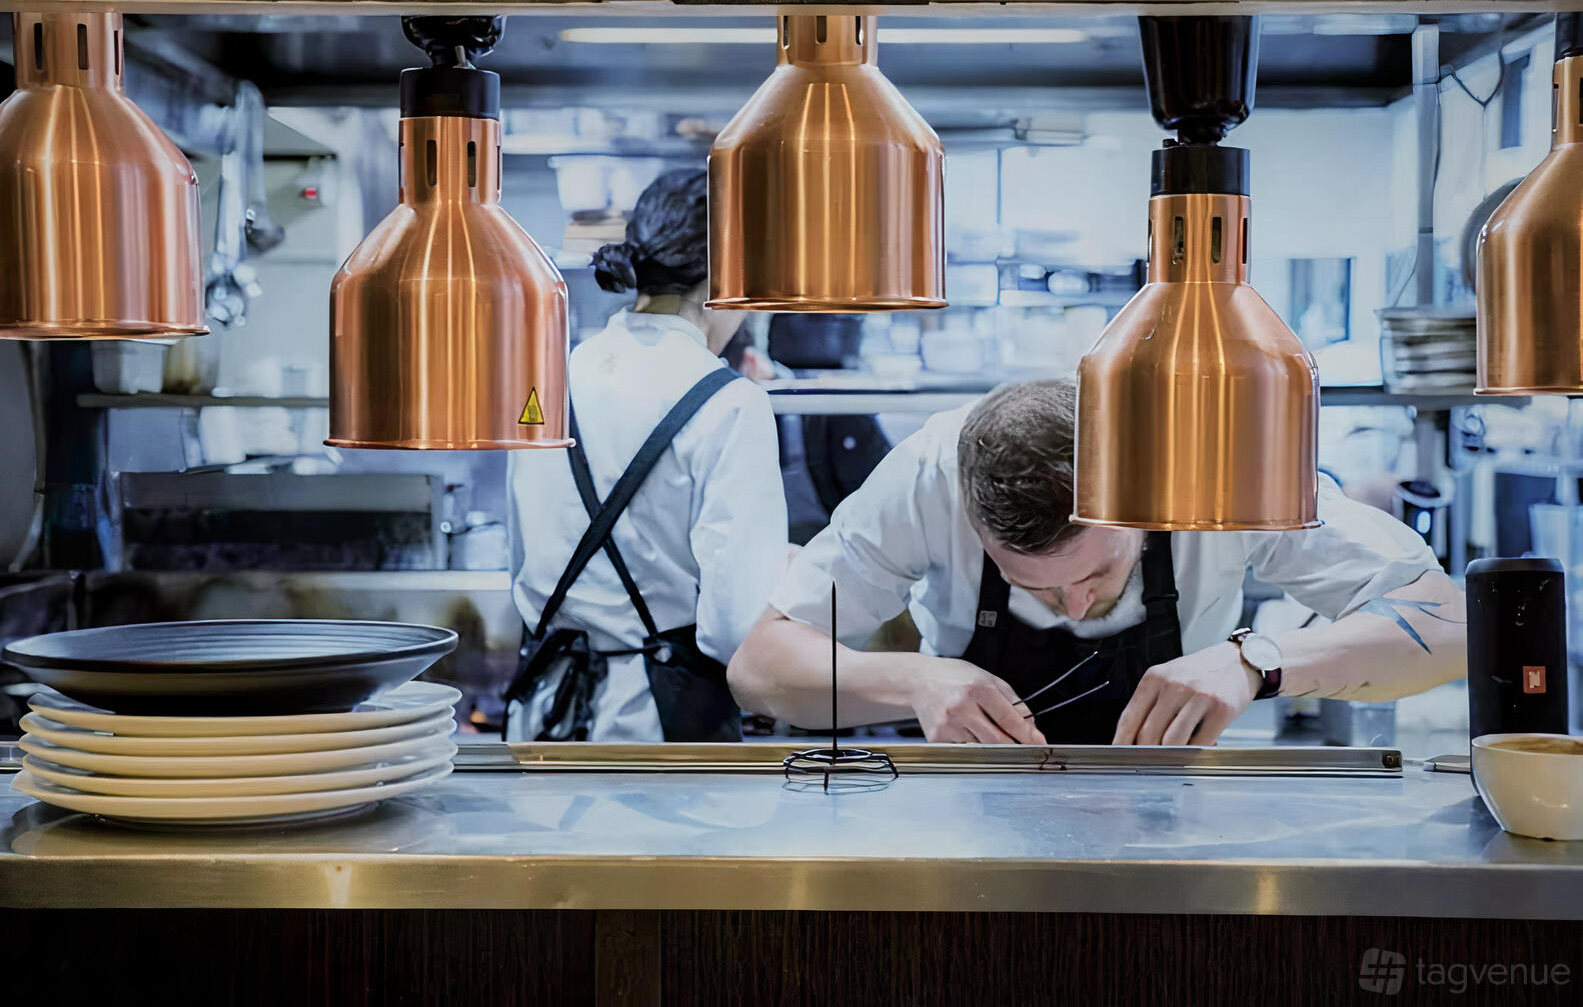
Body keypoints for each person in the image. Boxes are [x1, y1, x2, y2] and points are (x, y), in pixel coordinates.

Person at [729, 378, 1466, 746]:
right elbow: (759, 670)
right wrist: (914, 679)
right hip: (972, 810)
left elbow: (1454, 625)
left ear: (1142, 509)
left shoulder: (1218, 468)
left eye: (1095, 575)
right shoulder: (927, 475)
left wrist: (1257, 663)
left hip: (1177, 811)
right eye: (1033, 587)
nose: (1075, 606)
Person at [503, 170, 788, 742]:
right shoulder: (731, 403)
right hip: (659, 735)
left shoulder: (545, 378)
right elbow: (736, 627)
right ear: (729, 273)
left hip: (541, 718)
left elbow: (523, 553)